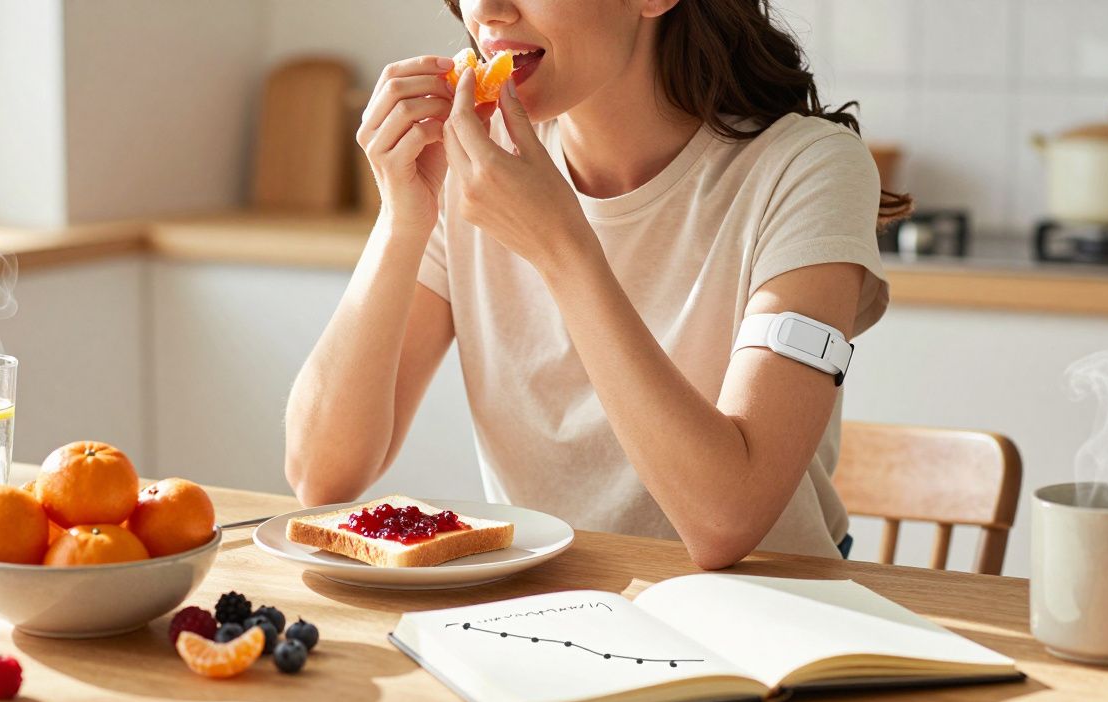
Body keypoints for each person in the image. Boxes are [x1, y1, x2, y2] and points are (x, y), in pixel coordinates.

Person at [284, 0, 911, 569]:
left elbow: (726, 521)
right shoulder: (475, 162)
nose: (487, 11)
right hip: (547, 614)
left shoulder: (808, 171)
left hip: (768, 619)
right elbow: (319, 475)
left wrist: (563, 249)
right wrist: (401, 219)